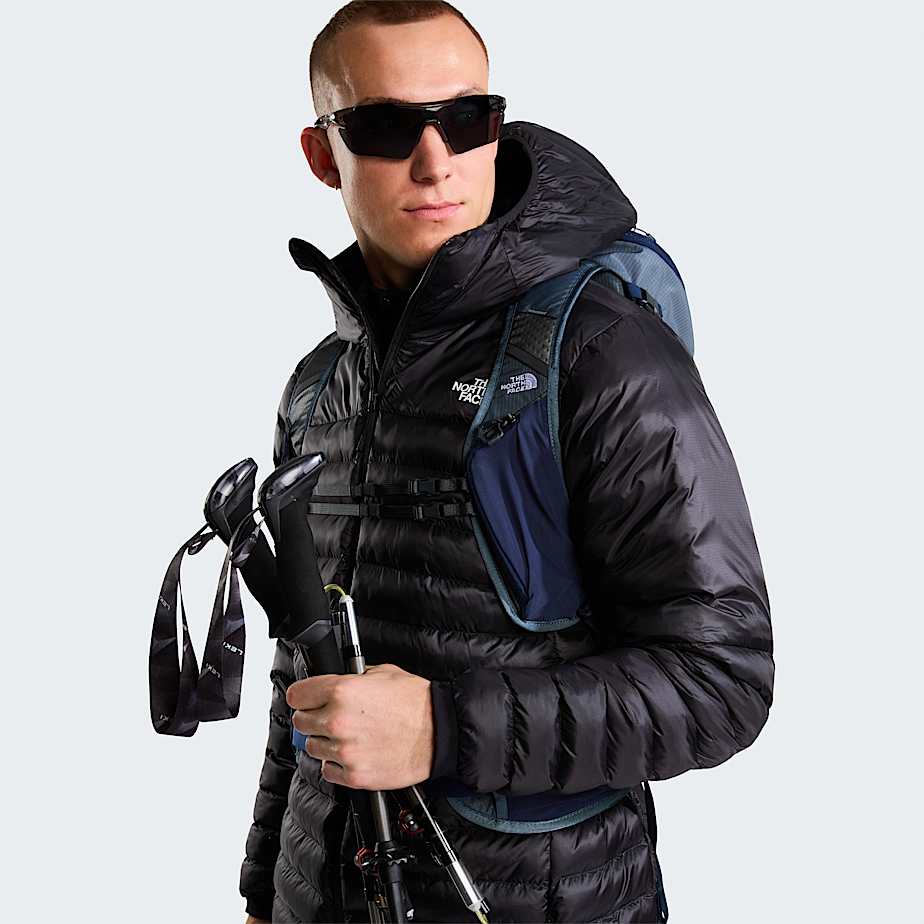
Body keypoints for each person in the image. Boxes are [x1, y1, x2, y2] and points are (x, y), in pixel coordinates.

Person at [240, 3, 774, 922]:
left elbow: (722, 681)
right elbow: (305, 676)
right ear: (322, 154)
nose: (435, 160)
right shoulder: (319, 385)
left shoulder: (604, 354)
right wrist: (264, 888)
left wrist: (442, 727)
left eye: (466, 119)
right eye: (385, 127)